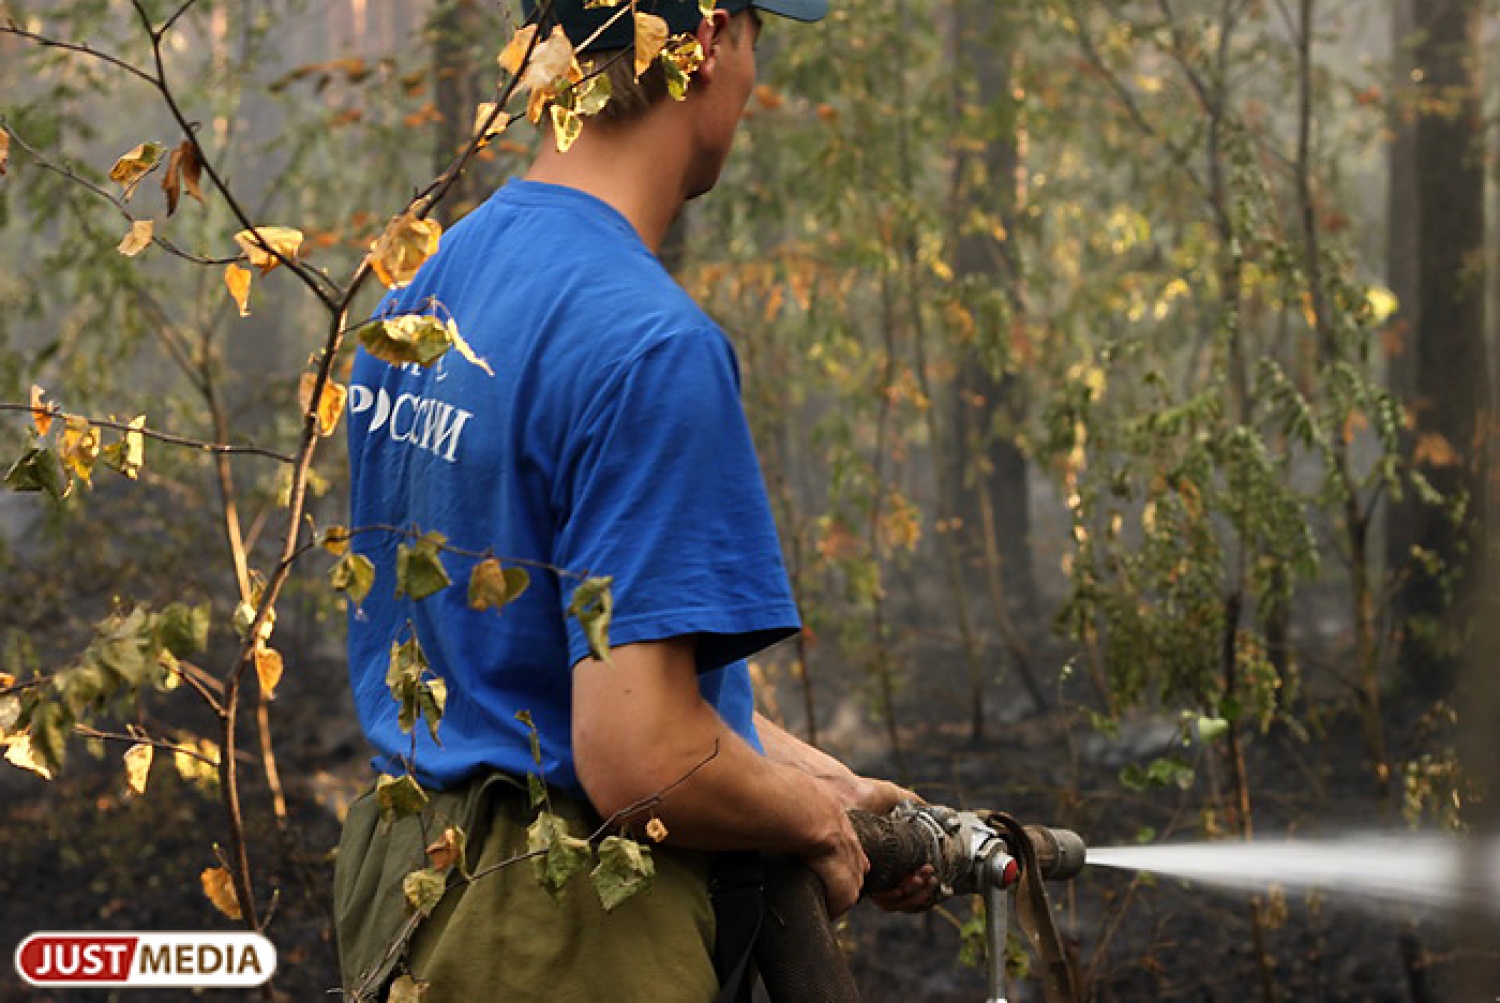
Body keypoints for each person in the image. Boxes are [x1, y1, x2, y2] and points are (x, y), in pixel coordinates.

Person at [334, 2, 932, 999]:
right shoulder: (652, 346)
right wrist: (816, 825)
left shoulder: (426, 288)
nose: (751, 81)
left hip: (415, 899)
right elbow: (639, 754)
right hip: (571, 936)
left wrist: (813, 779)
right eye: (755, 41)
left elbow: (543, 673)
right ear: (707, 45)